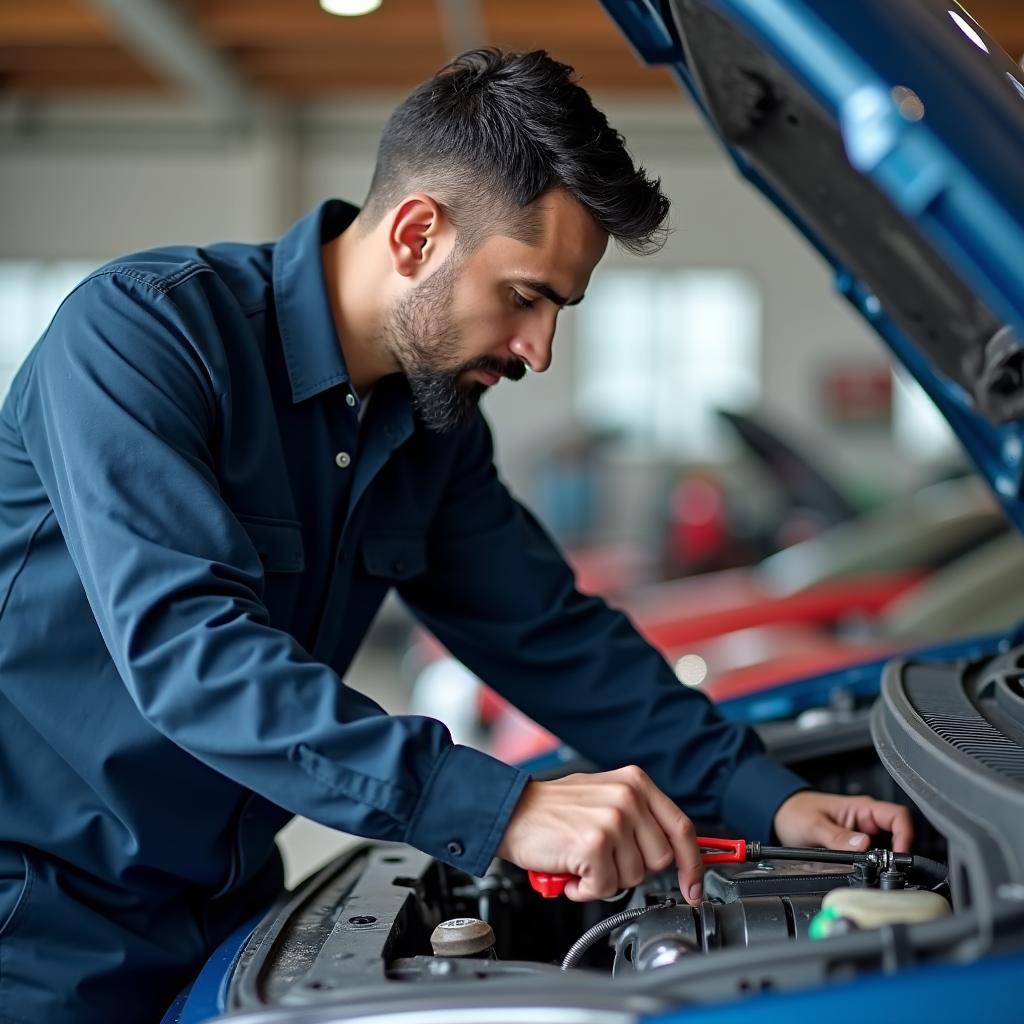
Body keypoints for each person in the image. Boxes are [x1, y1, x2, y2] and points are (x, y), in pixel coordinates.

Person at [0, 48, 912, 1022]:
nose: (539, 349)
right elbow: (191, 655)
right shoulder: (147, 338)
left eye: (559, 309)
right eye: (524, 296)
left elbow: (551, 634)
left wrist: (763, 794)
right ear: (416, 232)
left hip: (226, 909)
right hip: (41, 918)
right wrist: (502, 807)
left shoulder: (431, 432)